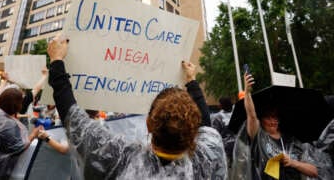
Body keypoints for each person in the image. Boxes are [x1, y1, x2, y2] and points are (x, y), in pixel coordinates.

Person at [46, 34, 226, 179]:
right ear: (193, 130)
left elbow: (73, 119)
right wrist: (191, 81)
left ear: (149, 123)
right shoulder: (208, 159)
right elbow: (206, 127)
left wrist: (56, 60)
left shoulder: (119, 159)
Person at [237, 72, 318, 179]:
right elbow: (251, 116)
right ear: (261, 120)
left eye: (275, 117)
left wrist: (293, 163)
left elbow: (314, 172)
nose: (273, 121)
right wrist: (247, 92)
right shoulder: (259, 137)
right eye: (268, 117)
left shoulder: (292, 140)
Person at [212, 97, 235, 168]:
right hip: (236, 145)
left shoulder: (217, 117)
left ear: (223, 105)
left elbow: (215, 133)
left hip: (225, 147)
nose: (218, 105)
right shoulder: (236, 113)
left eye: (219, 103)